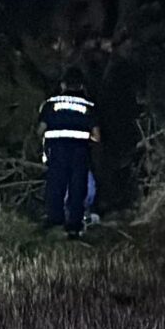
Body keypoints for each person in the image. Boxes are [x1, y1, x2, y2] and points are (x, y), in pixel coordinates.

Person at [40, 70, 101, 237]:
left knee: (55, 185)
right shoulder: (88, 106)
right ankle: (74, 225)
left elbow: (40, 130)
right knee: (77, 187)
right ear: (81, 86)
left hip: (57, 151)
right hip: (79, 152)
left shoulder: (51, 104)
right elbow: (97, 136)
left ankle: (55, 221)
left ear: (63, 85)